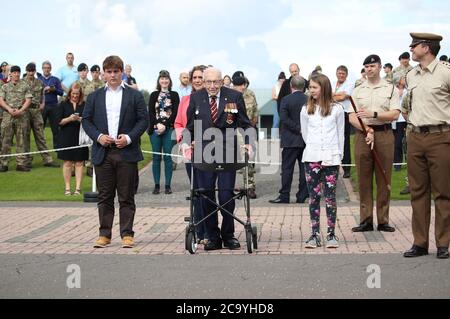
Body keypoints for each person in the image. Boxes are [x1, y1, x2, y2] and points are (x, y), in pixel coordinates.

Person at [82, 55, 148, 249]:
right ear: (103, 74)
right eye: (109, 71)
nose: (112, 75)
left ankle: (127, 234)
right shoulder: (94, 97)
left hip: (126, 152)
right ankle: (104, 234)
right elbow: (86, 120)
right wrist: (98, 136)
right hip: (103, 152)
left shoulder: (134, 95)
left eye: (116, 71)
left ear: (122, 73)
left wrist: (128, 138)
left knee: (126, 195)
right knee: (105, 196)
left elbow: (143, 120)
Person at [185, 67, 255, 251]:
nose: (212, 86)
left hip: (228, 152)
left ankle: (228, 235)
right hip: (203, 153)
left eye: (216, 81)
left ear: (222, 81)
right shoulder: (196, 98)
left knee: (225, 196)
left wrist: (250, 144)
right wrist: (186, 142)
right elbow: (189, 127)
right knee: (206, 195)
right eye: (208, 82)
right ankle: (212, 236)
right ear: (203, 82)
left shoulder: (234, 97)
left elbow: (246, 124)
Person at [403, 33, 450, 259]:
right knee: (418, 193)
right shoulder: (412, 75)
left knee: (443, 193)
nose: (411, 49)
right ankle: (420, 243)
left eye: (414, 46)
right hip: (415, 137)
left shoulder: (445, 72)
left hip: (440, 137)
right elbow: (406, 106)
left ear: (426, 47)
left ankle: (443, 244)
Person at [350, 54, 401, 233]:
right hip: (364, 135)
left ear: (379, 67)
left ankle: (383, 219)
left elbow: (395, 114)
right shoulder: (358, 90)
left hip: (384, 134)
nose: (369, 69)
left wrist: (374, 114)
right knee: (364, 179)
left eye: (372, 66)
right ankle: (365, 220)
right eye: (366, 67)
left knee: (384, 177)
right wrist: (367, 129)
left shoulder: (390, 88)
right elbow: (352, 116)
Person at [301, 74, 345, 248]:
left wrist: (338, 157)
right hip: (311, 157)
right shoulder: (306, 109)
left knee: (330, 198)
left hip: (331, 158)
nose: (311, 90)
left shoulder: (337, 109)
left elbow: (340, 134)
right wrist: (314, 148)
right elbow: (305, 133)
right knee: (313, 197)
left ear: (324, 88)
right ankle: (314, 234)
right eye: (310, 87)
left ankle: (331, 234)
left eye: (314, 87)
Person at [174, 64, 208, 244]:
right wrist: (184, 141)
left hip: (211, 152)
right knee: (196, 191)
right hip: (190, 153)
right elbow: (179, 124)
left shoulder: (212, 100)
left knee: (208, 191)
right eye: (194, 77)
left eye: (200, 77)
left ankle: (211, 231)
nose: (197, 80)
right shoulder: (185, 100)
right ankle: (200, 231)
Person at [269, 76, 308, 204]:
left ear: (291, 86)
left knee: (287, 169)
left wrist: (297, 128)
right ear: (304, 87)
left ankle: (284, 195)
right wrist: (302, 129)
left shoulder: (285, 99)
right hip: (305, 140)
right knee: (304, 170)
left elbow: (284, 118)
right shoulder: (309, 99)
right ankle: (302, 196)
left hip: (290, 140)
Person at [148, 70, 180, 195]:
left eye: (166, 78)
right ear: (159, 80)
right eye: (162, 78)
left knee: (168, 157)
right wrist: (158, 124)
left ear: (169, 80)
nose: (164, 81)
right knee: (156, 157)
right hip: (155, 129)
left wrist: (165, 125)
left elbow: (175, 112)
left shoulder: (174, 94)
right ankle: (156, 185)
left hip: (169, 129)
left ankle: (167, 185)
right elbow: (150, 112)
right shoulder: (154, 94)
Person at [23, 62, 59, 169]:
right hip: (25, 112)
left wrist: (43, 103)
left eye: (32, 70)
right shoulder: (22, 82)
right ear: (26, 71)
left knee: (40, 136)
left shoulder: (39, 82)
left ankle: (47, 160)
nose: (30, 72)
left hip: (36, 111)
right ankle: (26, 160)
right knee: (25, 137)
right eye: (29, 70)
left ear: (35, 71)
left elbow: (43, 92)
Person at [56, 83, 89, 195]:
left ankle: (78, 189)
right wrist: (70, 118)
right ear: (69, 93)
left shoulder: (85, 104)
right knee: (67, 162)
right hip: (66, 136)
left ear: (80, 94)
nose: (75, 96)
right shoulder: (63, 104)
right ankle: (67, 188)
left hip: (80, 137)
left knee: (79, 163)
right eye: (73, 93)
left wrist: (80, 119)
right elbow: (59, 122)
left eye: (77, 94)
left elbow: (88, 121)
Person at [0, 65, 32, 172]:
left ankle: (21, 163)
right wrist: (9, 109)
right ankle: (3, 163)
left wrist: (21, 110)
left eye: (18, 72)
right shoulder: (5, 87)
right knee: (5, 140)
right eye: (14, 72)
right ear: (11, 74)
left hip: (21, 116)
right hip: (8, 116)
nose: (17, 74)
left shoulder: (25, 85)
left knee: (21, 140)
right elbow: (1, 100)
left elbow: (28, 99)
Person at [232, 71, 258, 199]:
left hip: (247, 130)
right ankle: (229, 186)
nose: (243, 87)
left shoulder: (250, 94)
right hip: (233, 131)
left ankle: (249, 187)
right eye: (240, 85)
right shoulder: (229, 95)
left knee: (248, 159)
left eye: (244, 84)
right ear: (234, 85)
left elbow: (255, 111)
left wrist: (251, 127)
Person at [332, 65, 354, 178]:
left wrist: (333, 95)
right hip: (332, 114)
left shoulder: (350, 84)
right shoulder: (332, 83)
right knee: (332, 140)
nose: (341, 75)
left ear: (346, 75)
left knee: (345, 141)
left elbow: (343, 97)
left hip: (344, 114)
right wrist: (337, 94)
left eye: (343, 74)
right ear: (336, 73)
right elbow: (328, 95)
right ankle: (333, 166)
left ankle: (347, 168)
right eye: (339, 73)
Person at [38, 60, 64, 149]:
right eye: (45, 68)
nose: (46, 69)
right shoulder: (38, 80)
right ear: (42, 69)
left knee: (55, 128)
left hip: (54, 106)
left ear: (51, 69)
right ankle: (41, 149)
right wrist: (43, 90)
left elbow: (61, 92)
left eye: (48, 68)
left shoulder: (55, 79)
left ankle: (57, 148)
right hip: (42, 106)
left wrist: (53, 90)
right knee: (40, 129)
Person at [391, 74, 407, 171]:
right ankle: (397, 163)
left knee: (405, 143)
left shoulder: (407, 90)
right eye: (402, 78)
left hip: (405, 119)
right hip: (395, 120)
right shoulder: (393, 90)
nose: (404, 80)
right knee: (396, 143)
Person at [271, 71, 286, 138]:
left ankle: (284, 136)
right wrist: (279, 98)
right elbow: (273, 97)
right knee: (276, 121)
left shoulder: (287, 87)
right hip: (277, 104)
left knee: (285, 121)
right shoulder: (275, 87)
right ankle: (274, 137)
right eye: (281, 80)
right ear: (278, 80)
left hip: (285, 104)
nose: (282, 82)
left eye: (283, 80)